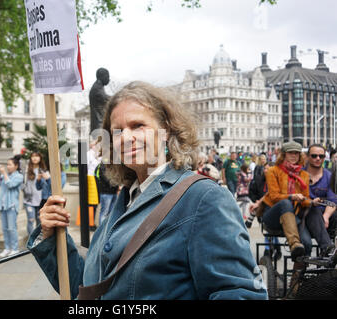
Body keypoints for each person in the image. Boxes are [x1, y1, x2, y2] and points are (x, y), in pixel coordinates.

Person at [27, 81, 267, 300]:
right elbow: (87, 289)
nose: (126, 137)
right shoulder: (125, 201)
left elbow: (239, 292)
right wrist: (50, 237)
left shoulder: (204, 198)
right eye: (117, 131)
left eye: (138, 125)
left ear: (167, 131)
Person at [254, 142, 322, 264]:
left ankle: (296, 280)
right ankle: (294, 243)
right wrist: (292, 196)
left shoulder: (304, 175)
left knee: (307, 243)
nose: (294, 155)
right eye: (290, 153)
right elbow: (274, 197)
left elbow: (305, 199)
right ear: (284, 155)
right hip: (272, 214)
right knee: (286, 203)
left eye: (296, 153)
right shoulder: (273, 171)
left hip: (292, 216)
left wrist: (312, 202)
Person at [303, 144, 336, 256]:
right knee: (313, 209)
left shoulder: (329, 176)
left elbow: (333, 201)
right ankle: (328, 248)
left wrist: (326, 216)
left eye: (321, 156)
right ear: (307, 157)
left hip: (324, 217)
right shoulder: (299, 174)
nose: (318, 158)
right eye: (314, 156)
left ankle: (329, 250)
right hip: (305, 214)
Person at [247, 162, 282, 260]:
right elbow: (252, 191)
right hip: (261, 209)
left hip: (274, 209)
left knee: (269, 230)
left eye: (269, 169)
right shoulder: (258, 180)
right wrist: (256, 201)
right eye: (265, 168)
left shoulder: (278, 181)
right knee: (268, 230)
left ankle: (268, 250)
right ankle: (276, 248)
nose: (266, 170)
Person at [0, 156, 24, 257]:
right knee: (5, 228)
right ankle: (7, 248)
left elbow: (10, 184)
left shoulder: (19, 176)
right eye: (7, 164)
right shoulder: (3, 176)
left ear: (16, 166)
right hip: (3, 205)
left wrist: (4, 173)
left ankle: (15, 248)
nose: (8, 167)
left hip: (12, 205)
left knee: (11, 228)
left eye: (10, 164)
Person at [22, 152, 45, 236]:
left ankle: (37, 242)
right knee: (31, 219)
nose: (35, 158)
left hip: (40, 200)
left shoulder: (43, 170)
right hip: (29, 200)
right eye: (33, 156)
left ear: (40, 158)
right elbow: (22, 182)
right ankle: (31, 242)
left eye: (37, 156)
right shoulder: (27, 170)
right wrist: (24, 189)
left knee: (39, 221)